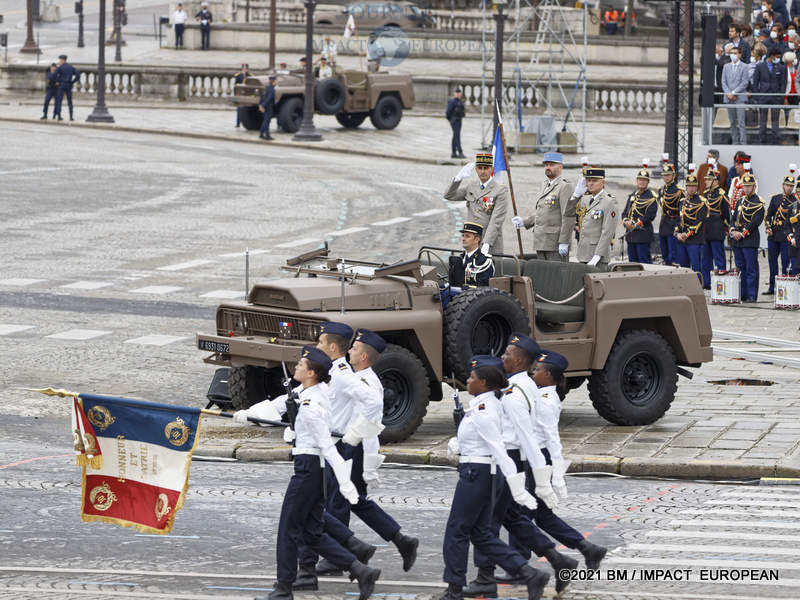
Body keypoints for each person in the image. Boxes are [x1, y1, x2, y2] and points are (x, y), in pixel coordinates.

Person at [249, 346, 381, 600]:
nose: (295, 367)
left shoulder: (311, 405)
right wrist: (250, 415)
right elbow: (284, 404)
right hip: (314, 469)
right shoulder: (316, 391)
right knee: (311, 531)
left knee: (288, 530)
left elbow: (326, 445)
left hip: (308, 470)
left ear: (311, 373)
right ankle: (361, 570)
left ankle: (283, 589)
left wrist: (345, 481)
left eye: (300, 364)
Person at [477, 335, 607, 589]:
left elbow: (548, 437)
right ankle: (581, 550)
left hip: (533, 457)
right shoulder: (533, 391)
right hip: (532, 456)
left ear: (548, 376)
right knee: (530, 515)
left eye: (538, 370)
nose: (534, 373)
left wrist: (553, 475)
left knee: (520, 515)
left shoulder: (544, 399)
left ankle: (527, 563)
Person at [441, 354, 549, 600]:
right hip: (479, 471)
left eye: (472, 378)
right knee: (480, 534)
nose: (468, 381)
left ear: (485, 383)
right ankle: (529, 573)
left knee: (456, 531)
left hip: (475, 474)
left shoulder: (483, 409)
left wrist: (517, 487)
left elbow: (498, 448)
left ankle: (454, 588)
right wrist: (458, 442)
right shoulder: (484, 405)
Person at [512, 152, 579, 261]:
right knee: (543, 275)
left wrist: (564, 241)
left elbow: (568, 216)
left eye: (552, 165)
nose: (548, 167)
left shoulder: (565, 186)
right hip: (541, 241)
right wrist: (524, 222)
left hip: (555, 243)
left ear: (560, 167)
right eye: (546, 165)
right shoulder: (545, 185)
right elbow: (543, 212)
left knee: (555, 275)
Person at [444, 153, 509, 255]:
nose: (482, 171)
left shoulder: (500, 191)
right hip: (471, 241)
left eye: (486, 168)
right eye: (479, 168)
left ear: (491, 169)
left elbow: (496, 220)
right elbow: (449, 196)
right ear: (476, 170)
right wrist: (458, 179)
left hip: (490, 243)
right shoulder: (471, 186)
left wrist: (486, 243)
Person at [730, 173, 765, 302]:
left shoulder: (759, 202)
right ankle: (742, 293)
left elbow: (755, 222)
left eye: (749, 186)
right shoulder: (740, 201)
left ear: (754, 186)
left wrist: (742, 233)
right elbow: (733, 218)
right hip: (737, 241)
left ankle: (751, 294)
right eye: (745, 186)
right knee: (740, 267)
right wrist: (733, 229)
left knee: (751, 269)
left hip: (749, 240)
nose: (746, 189)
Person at [575, 167, 616, 267]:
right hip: (582, 254)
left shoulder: (609, 201)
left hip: (598, 257)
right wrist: (575, 195)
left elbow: (608, 232)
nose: (591, 183)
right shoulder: (584, 199)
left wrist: (597, 255)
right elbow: (568, 214)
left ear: (603, 182)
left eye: (595, 181)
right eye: (589, 180)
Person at [764, 168, 796, 294]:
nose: (789, 188)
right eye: (787, 185)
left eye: (791, 186)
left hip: (785, 235)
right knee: (772, 262)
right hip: (773, 235)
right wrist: (768, 227)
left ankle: (783, 287)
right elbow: (768, 215)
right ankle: (772, 287)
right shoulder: (776, 198)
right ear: (783, 185)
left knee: (784, 262)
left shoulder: (795, 202)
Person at [673, 171, 708, 280]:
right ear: (686, 187)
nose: (691, 188)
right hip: (682, 240)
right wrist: (677, 233)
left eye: (693, 186)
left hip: (694, 240)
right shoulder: (682, 202)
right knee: (683, 268)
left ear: (697, 187)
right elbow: (679, 220)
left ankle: (698, 288)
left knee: (696, 268)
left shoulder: (702, 202)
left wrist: (686, 234)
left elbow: (698, 222)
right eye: (689, 186)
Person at [700, 166, 731, 290]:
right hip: (706, 230)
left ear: (716, 181)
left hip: (717, 229)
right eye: (706, 179)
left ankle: (721, 283)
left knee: (719, 257)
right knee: (705, 259)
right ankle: (706, 282)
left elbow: (726, 215)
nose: (706, 181)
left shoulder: (722, 195)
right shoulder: (706, 194)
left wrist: (727, 228)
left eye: (709, 179)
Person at [621, 163, 658, 264]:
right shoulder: (633, 195)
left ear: (648, 182)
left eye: (644, 180)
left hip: (643, 235)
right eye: (640, 179)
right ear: (637, 181)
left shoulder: (651, 197)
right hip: (631, 235)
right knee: (632, 263)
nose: (642, 182)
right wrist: (625, 221)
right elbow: (625, 212)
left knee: (644, 262)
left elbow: (650, 215)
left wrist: (634, 223)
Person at [753, 46, 786, 144]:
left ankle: (775, 141)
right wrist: (757, 97)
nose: (778, 59)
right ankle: (762, 140)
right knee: (763, 121)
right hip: (763, 96)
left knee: (775, 121)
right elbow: (755, 83)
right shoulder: (760, 66)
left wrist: (780, 96)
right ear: (772, 56)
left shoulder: (781, 67)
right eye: (777, 57)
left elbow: (783, 84)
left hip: (776, 97)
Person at [448, 223, 495, 288]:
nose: (463, 239)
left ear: (477, 239)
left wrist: (464, 287)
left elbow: (483, 287)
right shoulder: (460, 258)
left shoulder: (485, 261)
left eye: (467, 236)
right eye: (463, 235)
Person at [722, 46, 750, 144]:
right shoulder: (726, 66)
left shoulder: (745, 66)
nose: (733, 55)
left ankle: (743, 143)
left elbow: (745, 82)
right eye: (731, 53)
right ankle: (735, 142)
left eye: (735, 53)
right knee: (732, 122)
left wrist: (734, 93)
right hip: (729, 98)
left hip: (740, 98)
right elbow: (723, 82)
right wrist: (728, 93)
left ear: (739, 54)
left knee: (741, 122)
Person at [658, 162, 684, 265]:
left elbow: (681, 212)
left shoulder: (679, 191)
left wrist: (678, 227)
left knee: (673, 257)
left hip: (673, 225)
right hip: (663, 225)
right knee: (664, 255)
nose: (666, 177)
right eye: (665, 175)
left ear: (674, 175)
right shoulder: (661, 190)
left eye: (668, 175)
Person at [53, 55, 80, 122]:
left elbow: (54, 75)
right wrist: (72, 82)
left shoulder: (60, 68)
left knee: (59, 100)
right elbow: (78, 75)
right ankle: (71, 117)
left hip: (61, 85)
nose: (59, 61)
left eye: (60, 60)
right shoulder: (71, 67)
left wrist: (57, 81)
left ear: (62, 60)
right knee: (70, 101)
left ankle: (59, 116)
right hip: (68, 84)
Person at [446, 88, 466, 159]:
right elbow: (448, 112)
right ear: (454, 94)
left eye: (459, 93)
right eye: (456, 93)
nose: (458, 94)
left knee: (455, 136)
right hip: (454, 121)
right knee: (457, 136)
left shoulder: (460, 101)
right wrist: (451, 120)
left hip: (459, 120)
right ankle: (460, 152)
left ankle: (453, 152)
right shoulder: (452, 102)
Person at [259, 76, 276, 140]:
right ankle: (267, 135)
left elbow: (262, 97)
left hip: (265, 106)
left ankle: (261, 133)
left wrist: (260, 105)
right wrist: (263, 105)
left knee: (265, 120)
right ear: (273, 82)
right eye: (275, 81)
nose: (276, 82)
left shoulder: (266, 88)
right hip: (268, 106)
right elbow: (268, 99)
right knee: (267, 121)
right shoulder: (272, 89)